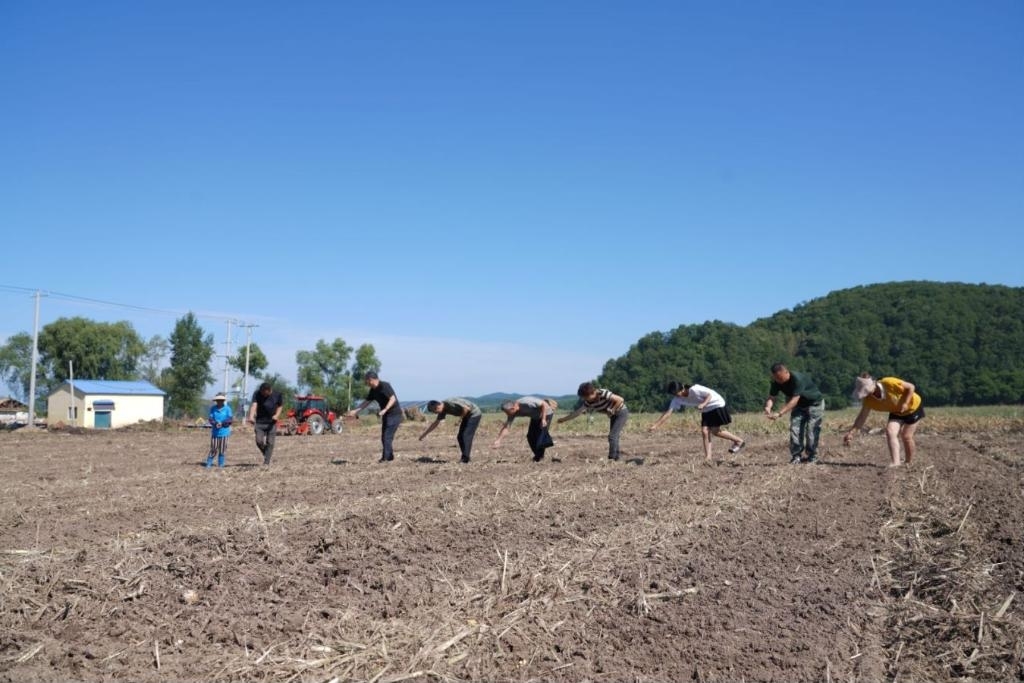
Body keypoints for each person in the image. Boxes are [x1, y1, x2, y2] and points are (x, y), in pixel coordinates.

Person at [843, 373, 924, 467]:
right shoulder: (868, 400)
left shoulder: (889, 382)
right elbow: (862, 417)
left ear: (873, 384)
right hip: (896, 411)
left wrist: (905, 403)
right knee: (890, 431)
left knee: (906, 436)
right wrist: (852, 432)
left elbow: (911, 387)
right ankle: (896, 462)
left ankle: (908, 462)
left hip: (913, 407)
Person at [649, 381, 745, 459]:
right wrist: (656, 425)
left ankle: (739, 441)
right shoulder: (676, 399)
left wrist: (703, 404)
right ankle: (708, 457)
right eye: (674, 394)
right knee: (705, 431)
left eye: (677, 393)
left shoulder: (695, 389)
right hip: (706, 409)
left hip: (716, 404)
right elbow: (668, 413)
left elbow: (709, 395)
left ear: (682, 388)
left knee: (715, 431)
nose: (677, 396)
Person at [764, 363, 825, 464]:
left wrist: (779, 413)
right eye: (776, 378)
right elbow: (772, 397)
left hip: (814, 404)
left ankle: (812, 456)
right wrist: (768, 407)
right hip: (799, 406)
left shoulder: (798, 379)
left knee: (811, 430)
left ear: (786, 372)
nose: (779, 381)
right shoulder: (776, 382)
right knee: (795, 429)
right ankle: (796, 456)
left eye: (780, 378)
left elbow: (794, 400)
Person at [556, 382, 629, 461]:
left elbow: (620, 399)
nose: (585, 399)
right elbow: (577, 412)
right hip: (613, 415)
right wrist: (563, 419)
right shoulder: (588, 402)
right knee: (614, 436)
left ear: (593, 392)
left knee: (612, 436)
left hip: (621, 412)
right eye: (584, 397)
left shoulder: (602, 393)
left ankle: (611, 458)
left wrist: (612, 410)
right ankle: (616, 458)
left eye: (586, 396)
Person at [346, 371, 403, 462]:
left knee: (387, 436)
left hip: (394, 414)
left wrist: (385, 409)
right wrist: (355, 411)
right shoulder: (373, 390)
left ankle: (386, 458)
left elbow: (393, 399)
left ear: (371, 380)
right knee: (384, 437)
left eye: (366, 381)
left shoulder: (385, 386)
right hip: (386, 415)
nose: (366, 383)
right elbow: (367, 402)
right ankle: (389, 456)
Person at [419, 398, 482, 463]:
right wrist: (424, 435)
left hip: (474, 413)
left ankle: (465, 459)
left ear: (438, 404)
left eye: (435, 409)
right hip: (466, 415)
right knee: (460, 437)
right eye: (434, 412)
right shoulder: (442, 410)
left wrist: (459, 421)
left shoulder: (449, 403)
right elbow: (435, 423)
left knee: (466, 435)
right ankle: (466, 457)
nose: (436, 412)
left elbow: (466, 408)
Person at [493, 396, 556, 462]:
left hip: (546, 414)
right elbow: (507, 427)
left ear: (512, 408)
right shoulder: (512, 413)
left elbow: (544, 404)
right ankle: (538, 456)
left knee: (540, 436)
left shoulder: (526, 402)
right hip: (535, 417)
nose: (507, 414)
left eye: (507, 412)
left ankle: (539, 457)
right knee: (530, 436)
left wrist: (543, 419)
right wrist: (498, 440)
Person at [246, 382, 283, 466]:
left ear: (269, 391)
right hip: (260, 422)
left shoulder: (277, 394)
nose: (263, 395)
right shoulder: (257, 394)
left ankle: (266, 462)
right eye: (262, 393)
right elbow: (254, 405)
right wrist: (251, 416)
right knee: (259, 441)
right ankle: (266, 454)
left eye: (264, 393)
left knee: (270, 443)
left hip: (271, 423)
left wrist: (277, 415)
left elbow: (280, 406)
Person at [205, 392, 233, 469]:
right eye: (218, 400)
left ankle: (221, 464)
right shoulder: (213, 408)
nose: (219, 401)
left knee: (222, 449)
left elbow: (230, 419)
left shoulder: (228, 409)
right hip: (215, 432)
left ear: (223, 401)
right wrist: (215, 423)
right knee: (214, 448)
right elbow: (211, 419)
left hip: (224, 432)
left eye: (221, 400)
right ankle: (209, 463)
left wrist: (223, 423)